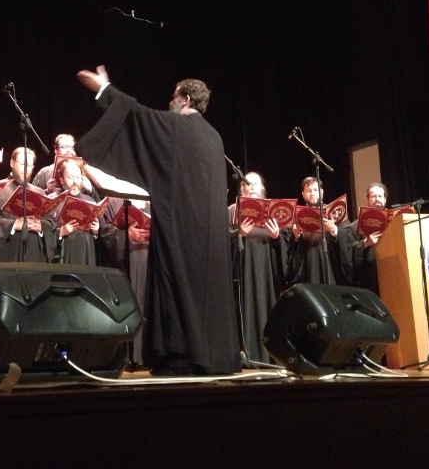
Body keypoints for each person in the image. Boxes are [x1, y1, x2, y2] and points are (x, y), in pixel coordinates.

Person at [76, 65, 240, 376]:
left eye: (173, 98)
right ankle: (211, 354)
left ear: (185, 99)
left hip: (182, 233)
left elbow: (138, 116)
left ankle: (180, 356)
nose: (169, 103)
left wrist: (104, 89)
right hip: (210, 240)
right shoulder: (214, 138)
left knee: (177, 285)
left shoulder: (178, 128)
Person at [228, 171, 285, 365]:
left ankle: (270, 356)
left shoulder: (271, 210)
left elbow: (284, 247)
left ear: (262, 188)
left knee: (268, 309)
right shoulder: (232, 210)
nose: (252, 187)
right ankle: (247, 355)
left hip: (266, 272)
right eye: (248, 184)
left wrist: (277, 237)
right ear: (241, 188)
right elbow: (221, 241)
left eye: (256, 184)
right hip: (243, 270)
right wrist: (239, 234)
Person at [99, 195, 151, 367]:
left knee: (147, 303)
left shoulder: (151, 200)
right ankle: (127, 356)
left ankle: (146, 355)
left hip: (149, 259)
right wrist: (126, 234)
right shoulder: (113, 200)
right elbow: (105, 232)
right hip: (125, 263)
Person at [0, 146, 57, 263]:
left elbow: (51, 222)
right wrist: (12, 225)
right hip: (7, 253)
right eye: (22, 164)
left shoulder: (39, 192)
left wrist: (41, 226)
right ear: (12, 163)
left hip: (34, 254)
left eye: (29, 165)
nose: (26, 169)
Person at [285, 176, 347, 287]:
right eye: (308, 191)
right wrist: (296, 237)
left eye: (315, 190)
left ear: (322, 192)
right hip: (308, 266)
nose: (312, 193)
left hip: (331, 265)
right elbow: (288, 246)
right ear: (303, 194)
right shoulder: (296, 216)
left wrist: (334, 230)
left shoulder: (333, 212)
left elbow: (348, 237)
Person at [337, 182, 388, 294]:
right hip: (369, 278)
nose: (377, 199)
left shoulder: (394, 222)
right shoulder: (355, 227)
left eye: (380, 196)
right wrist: (365, 243)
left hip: (391, 273)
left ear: (385, 200)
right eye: (373, 196)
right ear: (367, 199)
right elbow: (348, 254)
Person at [53, 158, 99, 265]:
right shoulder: (54, 201)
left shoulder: (89, 200)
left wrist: (95, 231)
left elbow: (96, 238)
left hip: (85, 252)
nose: (75, 181)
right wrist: (60, 232)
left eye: (78, 177)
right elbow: (46, 231)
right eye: (70, 177)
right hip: (64, 251)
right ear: (61, 180)